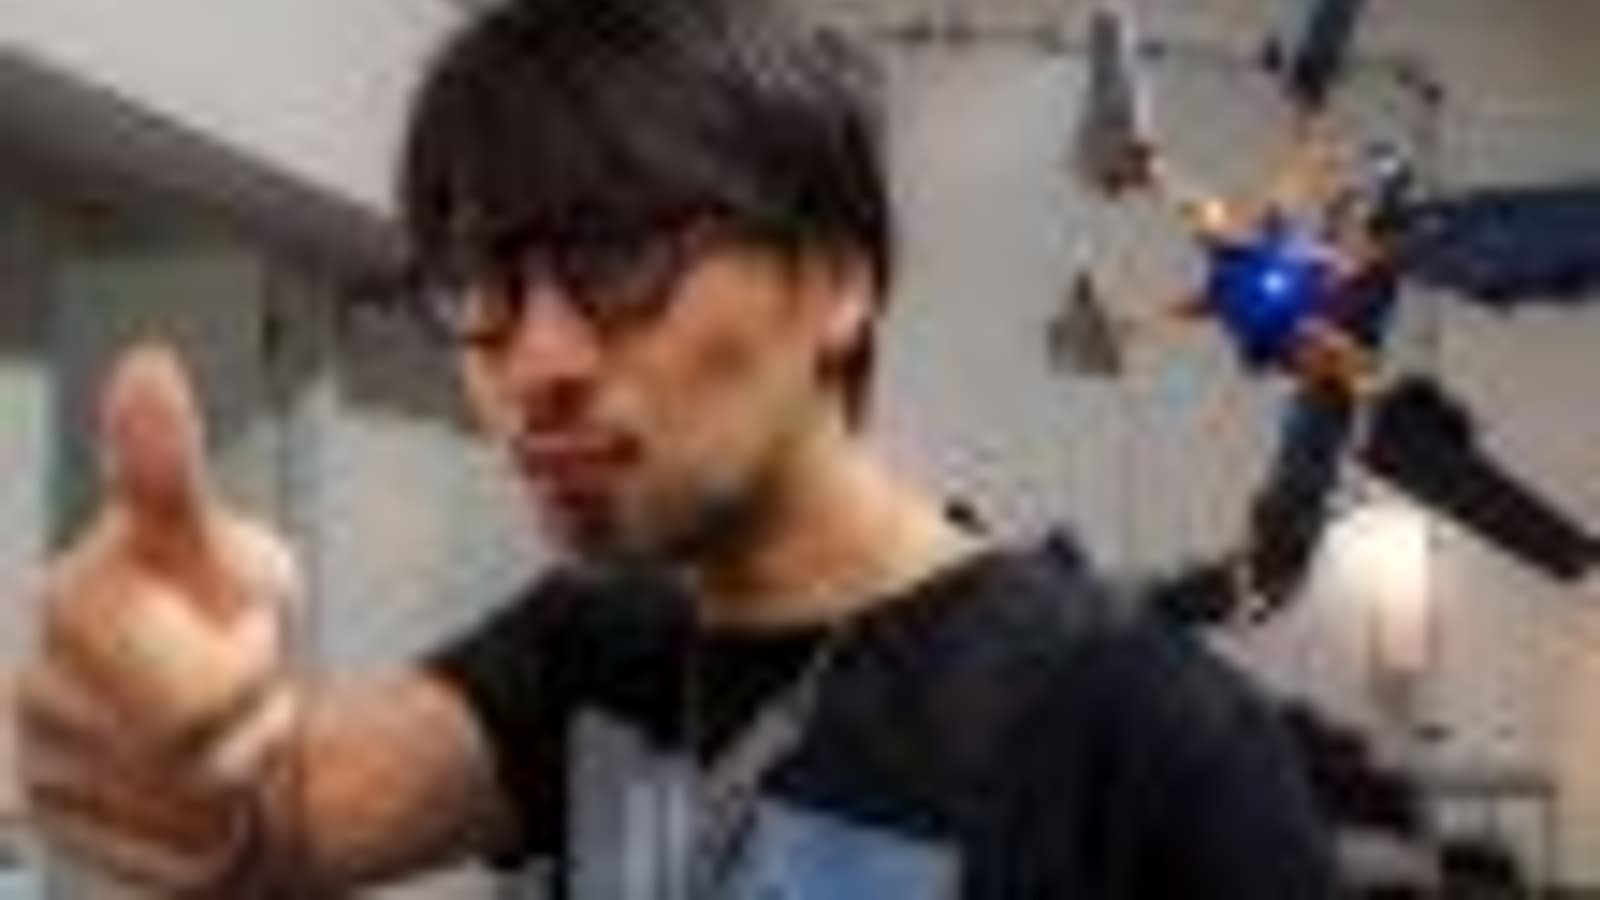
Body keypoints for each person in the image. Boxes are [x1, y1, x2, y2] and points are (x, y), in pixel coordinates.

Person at [17, 0, 1340, 896]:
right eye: (483, 280)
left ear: (839, 280)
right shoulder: (596, 645)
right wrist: (168, 756)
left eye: (622, 255)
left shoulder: (1147, 733)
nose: (535, 361)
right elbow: (285, 825)